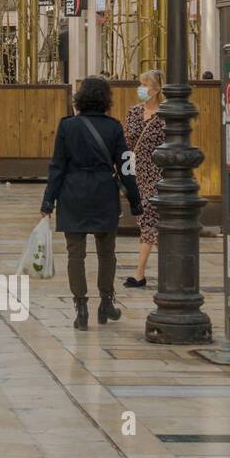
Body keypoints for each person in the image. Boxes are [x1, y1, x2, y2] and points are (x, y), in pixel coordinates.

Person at [41, 76, 142, 330]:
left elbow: (57, 166)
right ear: (106, 98)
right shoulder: (114, 127)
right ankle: (106, 302)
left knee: (76, 255)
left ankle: (81, 307)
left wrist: (48, 201)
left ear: (81, 97)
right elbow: (127, 167)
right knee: (107, 253)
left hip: (72, 192)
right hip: (103, 193)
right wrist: (135, 200)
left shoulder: (67, 126)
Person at [123, 69, 165, 288]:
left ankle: (139, 272)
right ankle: (171, 265)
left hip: (158, 174)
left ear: (157, 89)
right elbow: (126, 143)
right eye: (140, 84)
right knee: (146, 220)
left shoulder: (167, 114)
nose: (141, 89)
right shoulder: (134, 112)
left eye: (145, 85)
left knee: (148, 215)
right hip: (137, 173)